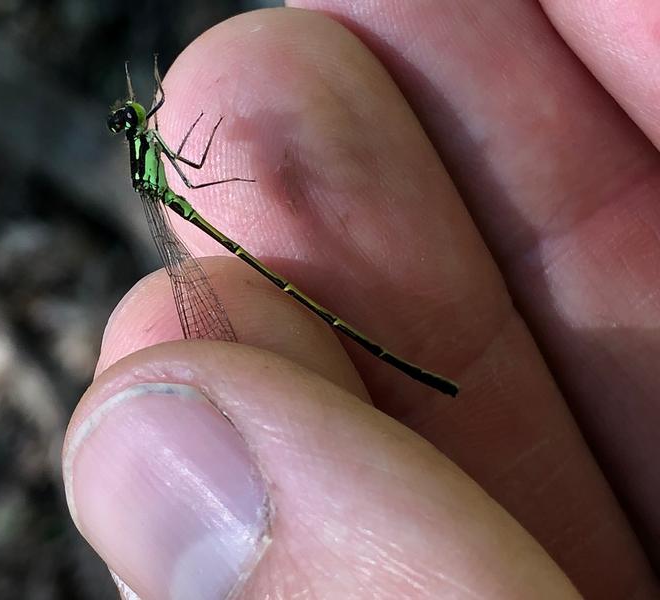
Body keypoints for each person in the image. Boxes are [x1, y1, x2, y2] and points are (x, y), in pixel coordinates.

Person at [62, 5, 660, 599]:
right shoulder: (150, 147)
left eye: (130, 113)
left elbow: (186, 164)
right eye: (129, 117)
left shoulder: (146, 138)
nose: (133, 114)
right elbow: (191, 170)